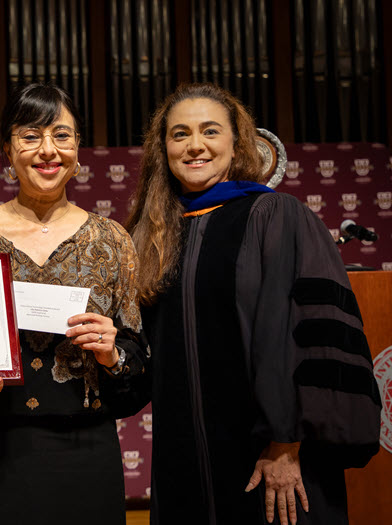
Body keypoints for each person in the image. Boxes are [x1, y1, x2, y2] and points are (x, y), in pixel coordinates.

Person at [125, 82, 381, 525]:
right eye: (179, 134)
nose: (195, 145)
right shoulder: (154, 237)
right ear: (162, 147)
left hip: (272, 461)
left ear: (236, 141)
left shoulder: (277, 216)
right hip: (183, 463)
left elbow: (302, 336)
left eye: (210, 131)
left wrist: (285, 444)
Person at [0, 83, 148, 525]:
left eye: (62, 135)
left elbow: (139, 372)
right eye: (31, 136)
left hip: (86, 456)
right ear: (8, 151)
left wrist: (112, 353)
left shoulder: (112, 241)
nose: (48, 150)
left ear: (78, 150)